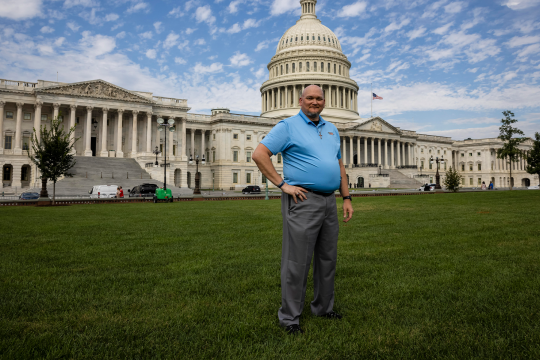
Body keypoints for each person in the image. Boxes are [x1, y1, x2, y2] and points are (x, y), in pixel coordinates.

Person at [253, 85, 353, 335]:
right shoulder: (287, 126)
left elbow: (339, 166)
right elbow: (259, 154)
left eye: (319, 98)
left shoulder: (331, 129)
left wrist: (347, 197)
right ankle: (290, 318)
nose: (315, 102)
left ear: (325, 101)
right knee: (297, 261)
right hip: (302, 200)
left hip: (329, 201)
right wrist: (282, 185)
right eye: (310, 98)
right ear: (300, 100)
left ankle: (323, 307)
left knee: (327, 259)